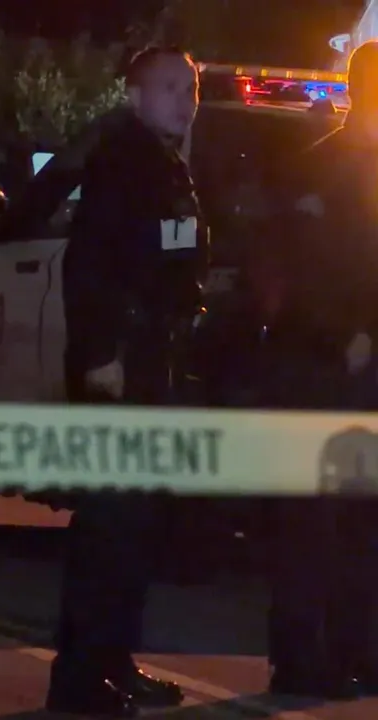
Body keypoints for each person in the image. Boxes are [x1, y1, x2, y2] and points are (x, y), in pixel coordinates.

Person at [46, 46, 207, 717]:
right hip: (119, 370)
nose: (184, 100)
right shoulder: (121, 163)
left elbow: (174, 262)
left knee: (136, 531)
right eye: (169, 87)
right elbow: (89, 267)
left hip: (152, 364)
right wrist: (101, 355)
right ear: (135, 96)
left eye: (189, 88)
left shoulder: (166, 165)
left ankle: (114, 665)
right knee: (108, 530)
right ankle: (80, 681)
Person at [259, 39, 378, 700]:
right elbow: (296, 274)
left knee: (363, 522)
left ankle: (358, 651)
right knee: (314, 523)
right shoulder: (318, 168)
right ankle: (302, 658)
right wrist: (342, 335)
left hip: (361, 364)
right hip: (321, 367)